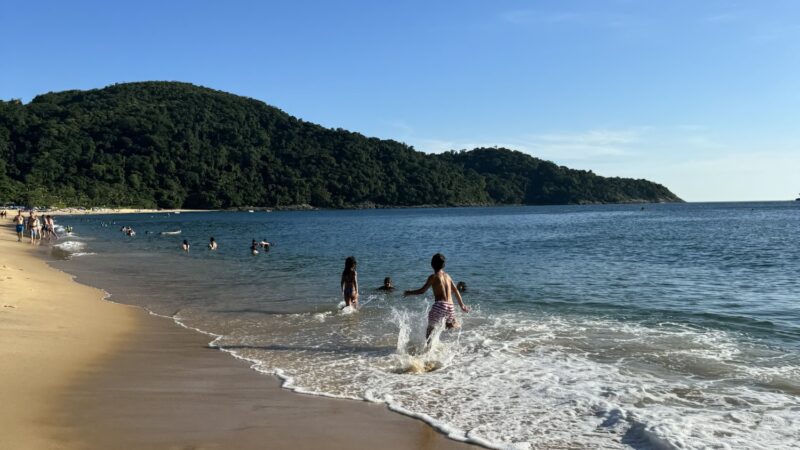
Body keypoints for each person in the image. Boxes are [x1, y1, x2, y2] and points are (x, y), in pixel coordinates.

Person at [404, 253, 470, 339]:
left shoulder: (433, 277)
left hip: (440, 305)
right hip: (450, 306)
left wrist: (409, 292)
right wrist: (462, 305)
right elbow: (456, 290)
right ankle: (458, 326)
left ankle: (427, 350)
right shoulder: (448, 276)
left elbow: (422, 291)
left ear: (432, 264)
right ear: (443, 265)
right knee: (448, 325)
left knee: (430, 330)